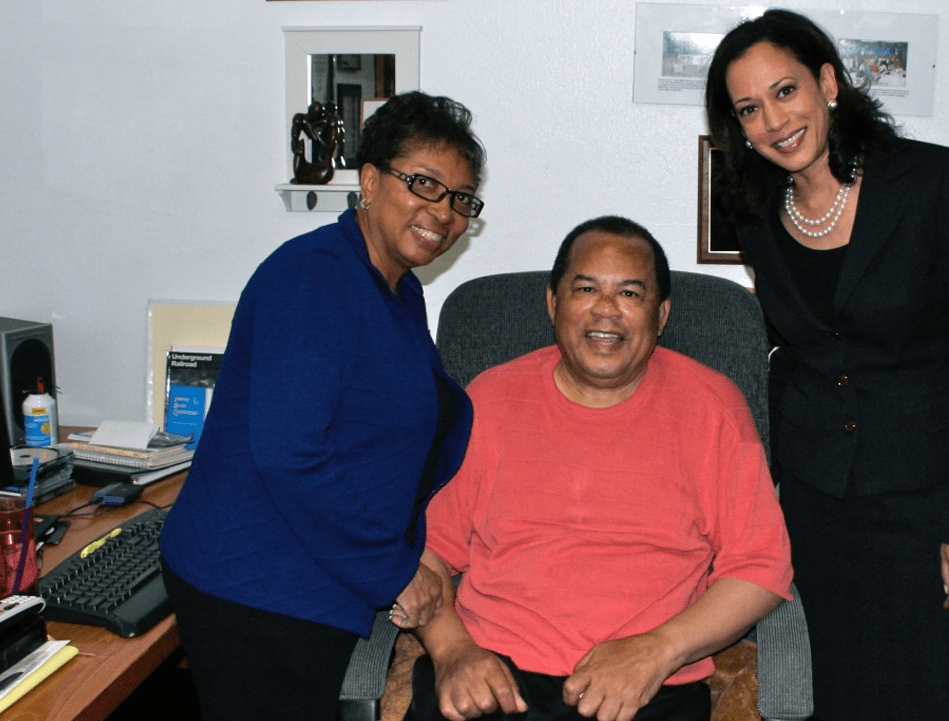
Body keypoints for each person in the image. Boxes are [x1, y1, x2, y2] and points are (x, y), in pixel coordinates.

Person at [704, 10, 949, 721]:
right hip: (820, 504)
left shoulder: (936, 180)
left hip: (926, 502)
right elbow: (801, 349)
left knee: (928, 694)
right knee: (836, 693)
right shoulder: (756, 210)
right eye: (749, 108)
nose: (774, 120)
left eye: (785, 91)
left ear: (828, 82)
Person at [159, 91, 487, 720]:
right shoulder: (312, 278)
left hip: (318, 568)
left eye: (460, 199)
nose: (442, 212)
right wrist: (393, 567)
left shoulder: (397, 288)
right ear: (369, 180)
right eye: (423, 183)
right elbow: (291, 455)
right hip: (257, 587)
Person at [407, 216, 793, 721]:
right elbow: (425, 554)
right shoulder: (490, 399)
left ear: (661, 315)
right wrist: (453, 651)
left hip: (649, 684)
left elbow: (762, 569)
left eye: (631, 294)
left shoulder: (712, 407)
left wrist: (656, 652)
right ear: (553, 303)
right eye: (586, 288)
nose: (606, 310)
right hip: (495, 676)